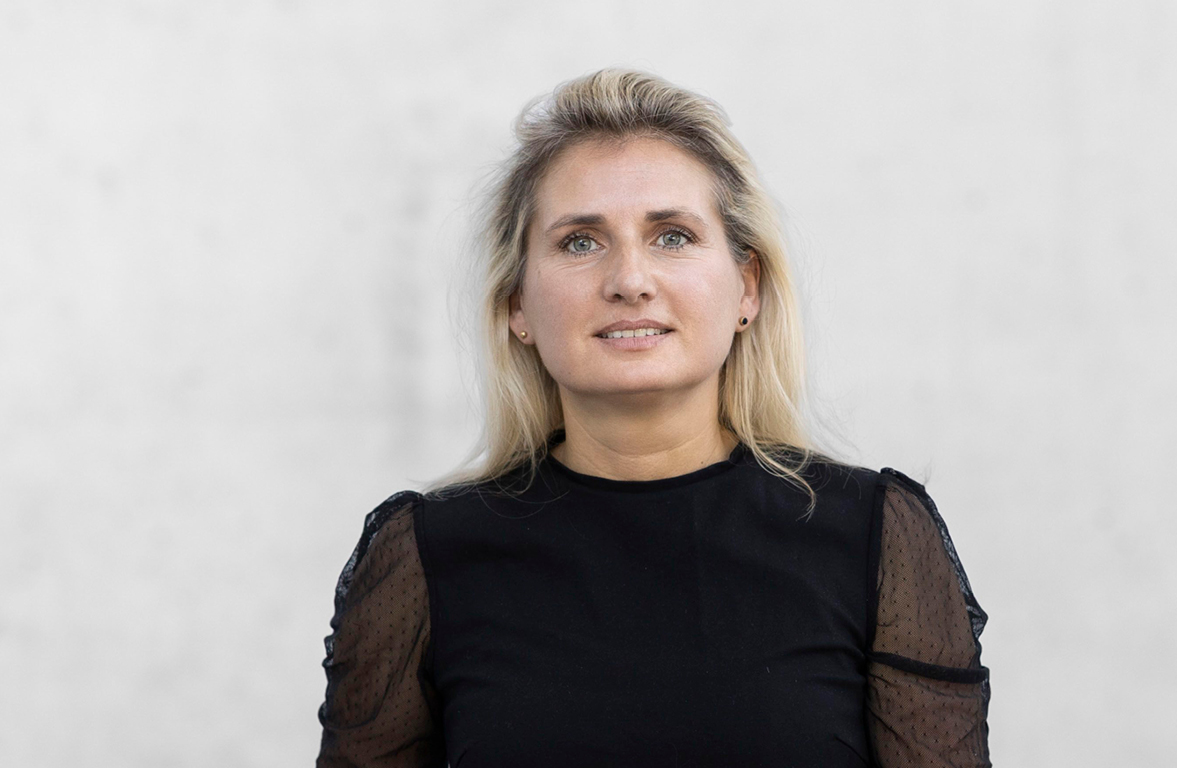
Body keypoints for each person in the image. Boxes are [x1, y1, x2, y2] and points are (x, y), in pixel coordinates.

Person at [316, 68, 990, 767]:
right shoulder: (424, 559)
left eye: (672, 236)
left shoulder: (874, 538)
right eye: (581, 242)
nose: (630, 281)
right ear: (517, 304)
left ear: (746, 288)